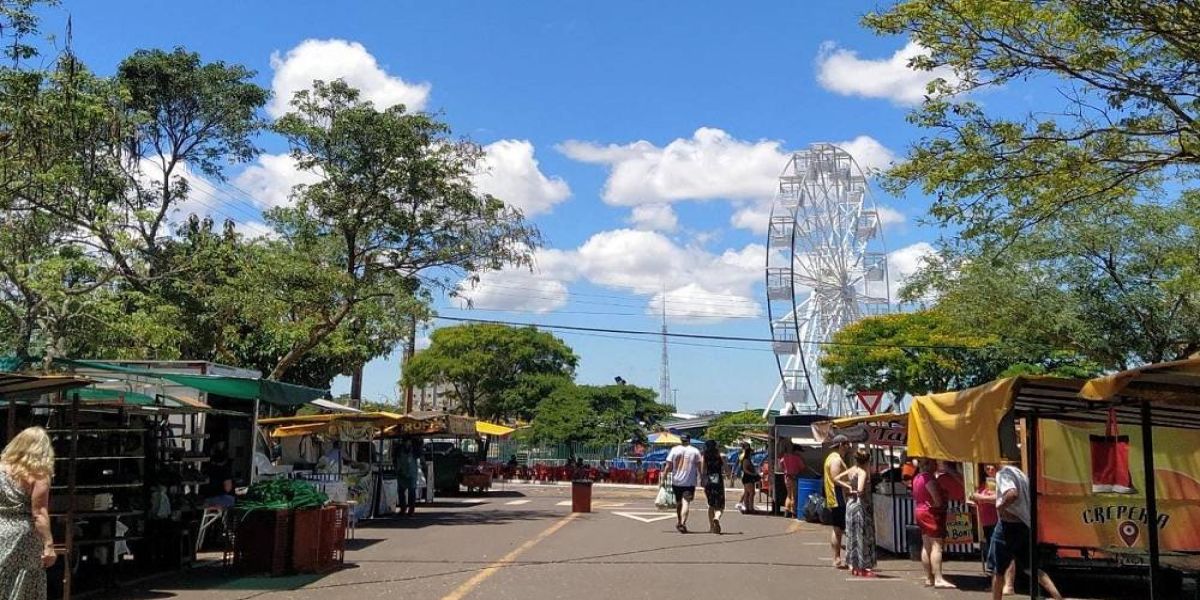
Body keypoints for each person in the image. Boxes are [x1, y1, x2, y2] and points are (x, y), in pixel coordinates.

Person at [990, 462, 1063, 600]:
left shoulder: (1003, 474)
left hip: (1008, 526)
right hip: (1023, 524)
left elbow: (1012, 494)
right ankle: (1058, 597)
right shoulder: (1019, 473)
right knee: (1031, 567)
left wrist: (1000, 505)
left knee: (998, 570)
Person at [0, 427, 57, 599]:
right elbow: (39, 513)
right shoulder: (38, 474)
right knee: (24, 586)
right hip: (23, 537)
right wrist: (49, 545)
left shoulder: (1, 468)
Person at [970, 464, 1015, 595]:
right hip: (987, 522)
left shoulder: (1003, 481)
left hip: (999, 520)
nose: (989, 470)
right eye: (987, 468)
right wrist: (975, 498)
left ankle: (1009, 585)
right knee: (994, 553)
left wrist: (982, 498)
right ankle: (997, 584)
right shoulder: (984, 484)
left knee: (1006, 553)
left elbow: (1002, 498)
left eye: (992, 468)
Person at [835, 450, 877, 577]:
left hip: (850, 505)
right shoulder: (862, 472)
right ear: (867, 461)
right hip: (860, 506)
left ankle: (853, 565)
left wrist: (848, 487)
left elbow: (836, 478)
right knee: (862, 535)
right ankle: (862, 566)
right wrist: (855, 490)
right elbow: (860, 490)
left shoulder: (852, 469)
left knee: (851, 535)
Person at [914, 458, 954, 588]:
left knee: (926, 545)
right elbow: (937, 500)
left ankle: (928, 578)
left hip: (920, 510)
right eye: (934, 463)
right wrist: (940, 503)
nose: (936, 465)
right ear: (928, 464)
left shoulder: (917, 478)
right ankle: (938, 578)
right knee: (937, 545)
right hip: (930, 512)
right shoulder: (928, 478)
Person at [823, 435, 851, 569]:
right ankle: (837, 557)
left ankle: (837, 557)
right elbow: (836, 478)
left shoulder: (833, 458)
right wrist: (850, 486)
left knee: (838, 528)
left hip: (836, 497)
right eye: (846, 444)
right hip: (838, 497)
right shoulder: (835, 459)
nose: (848, 447)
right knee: (839, 528)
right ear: (840, 445)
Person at [664, 434, 702, 533]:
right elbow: (699, 466)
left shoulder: (674, 450)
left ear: (681, 440)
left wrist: (664, 477)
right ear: (689, 440)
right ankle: (683, 522)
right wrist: (701, 477)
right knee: (686, 502)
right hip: (689, 481)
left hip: (676, 480)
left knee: (679, 502)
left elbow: (668, 465)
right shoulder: (695, 451)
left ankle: (679, 520)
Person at [701, 440, 726, 534]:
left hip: (708, 480)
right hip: (718, 480)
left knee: (711, 504)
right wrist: (729, 475)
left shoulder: (704, 456)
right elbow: (726, 469)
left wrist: (702, 480)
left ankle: (712, 527)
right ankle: (717, 517)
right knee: (720, 505)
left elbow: (703, 470)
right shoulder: (720, 456)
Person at [778, 443, 806, 518]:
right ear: (796, 451)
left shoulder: (784, 457)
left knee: (788, 494)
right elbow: (803, 467)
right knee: (794, 495)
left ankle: (786, 511)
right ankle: (793, 512)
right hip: (794, 478)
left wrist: (786, 470)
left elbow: (781, 467)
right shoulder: (797, 458)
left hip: (787, 478)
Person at [396, 439, 421, 516]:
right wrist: (398, 468)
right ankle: (403, 509)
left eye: (408, 441)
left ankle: (411, 510)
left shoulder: (414, 450)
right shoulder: (399, 449)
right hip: (401, 472)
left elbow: (419, 456)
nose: (407, 443)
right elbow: (396, 459)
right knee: (401, 491)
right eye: (405, 441)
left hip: (412, 473)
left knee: (412, 492)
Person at [735, 442, 758, 514]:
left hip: (747, 476)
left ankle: (747, 508)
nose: (752, 453)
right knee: (751, 493)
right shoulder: (745, 459)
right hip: (747, 477)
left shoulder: (745, 457)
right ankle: (750, 508)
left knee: (747, 492)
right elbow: (745, 469)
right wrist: (753, 474)